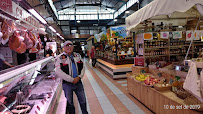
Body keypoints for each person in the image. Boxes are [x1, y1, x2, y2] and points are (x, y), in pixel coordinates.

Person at [55, 41, 88, 114]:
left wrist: (79, 77)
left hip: (78, 82)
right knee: (70, 103)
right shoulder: (60, 58)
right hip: (67, 84)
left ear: (73, 47)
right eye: (67, 45)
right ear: (64, 48)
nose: (69, 47)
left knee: (83, 101)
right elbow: (59, 72)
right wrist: (71, 80)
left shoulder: (77, 56)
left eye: (70, 45)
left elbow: (83, 67)